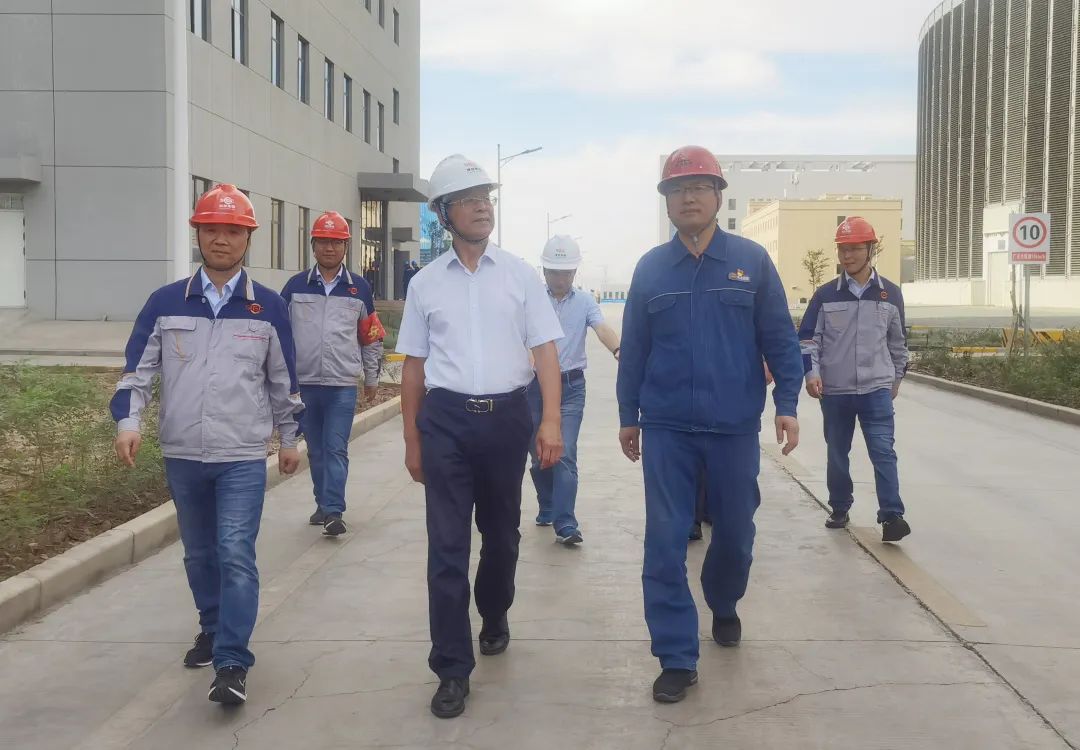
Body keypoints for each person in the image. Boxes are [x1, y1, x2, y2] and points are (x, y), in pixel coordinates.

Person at [616, 145, 803, 704]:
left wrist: (787, 403)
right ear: (667, 203)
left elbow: (780, 339)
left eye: (699, 187)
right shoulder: (651, 269)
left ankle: (723, 600)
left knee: (736, 535)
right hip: (668, 428)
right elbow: (634, 351)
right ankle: (676, 655)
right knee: (664, 541)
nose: (688, 197)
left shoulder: (751, 261)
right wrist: (629, 416)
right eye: (677, 190)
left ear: (719, 196)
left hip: (733, 428)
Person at [111, 184, 303, 706]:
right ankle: (213, 627)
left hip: (241, 455)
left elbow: (284, 381)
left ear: (248, 239)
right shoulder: (166, 302)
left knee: (235, 552)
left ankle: (232, 661)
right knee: (199, 554)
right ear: (198, 234)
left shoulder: (268, 307)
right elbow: (137, 372)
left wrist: (290, 438)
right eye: (212, 229)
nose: (221, 239)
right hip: (183, 454)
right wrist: (128, 423)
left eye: (233, 231)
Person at [396, 154, 565, 719]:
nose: (482, 208)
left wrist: (550, 420)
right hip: (445, 420)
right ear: (444, 214)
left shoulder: (519, 275)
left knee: (502, 535)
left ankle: (494, 610)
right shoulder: (425, 284)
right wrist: (412, 442)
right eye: (468, 201)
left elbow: (545, 351)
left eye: (485, 198)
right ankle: (451, 667)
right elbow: (413, 367)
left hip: (507, 419)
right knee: (446, 546)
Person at [798, 217, 911, 542]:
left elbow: (898, 343)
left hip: (876, 389)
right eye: (843, 249)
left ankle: (892, 515)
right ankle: (839, 506)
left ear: (870, 249)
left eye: (855, 249)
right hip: (835, 390)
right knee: (837, 452)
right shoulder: (825, 295)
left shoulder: (890, 294)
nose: (847, 256)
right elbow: (808, 340)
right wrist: (812, 374)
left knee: (883, 451)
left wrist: (895, 379)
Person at [282, 211, 385, 536]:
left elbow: (371, 337)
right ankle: (323, 504)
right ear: (313, 245)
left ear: (345, 247)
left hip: (342, 385)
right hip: (305, 386)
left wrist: (371, 378)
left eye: (336, 242)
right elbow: (278, 337)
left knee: (336, 447)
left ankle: (334, 511)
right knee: (315, 449)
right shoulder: (295, 287)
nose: (329, 248)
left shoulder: (359, 289)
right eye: (323, 242)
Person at [527, 235, 621, 544]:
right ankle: (547, 503)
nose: (561, 279)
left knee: (564, 452)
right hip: (533, 387)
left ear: (575, 272)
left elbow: (601, 328)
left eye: (567, 272)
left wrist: (619, 350)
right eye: (555, 272)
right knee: (540, 454)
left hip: (571, 387)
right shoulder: (531, 300)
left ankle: (566, 523)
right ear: (544, 271)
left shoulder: (585, 302)